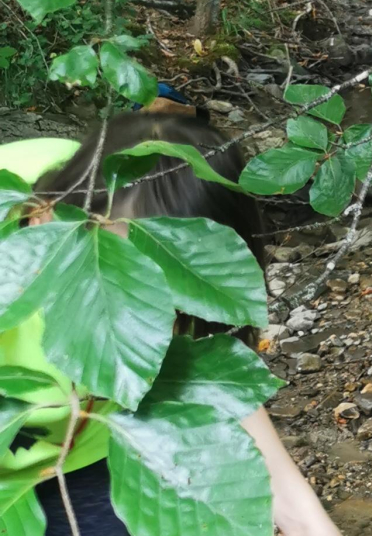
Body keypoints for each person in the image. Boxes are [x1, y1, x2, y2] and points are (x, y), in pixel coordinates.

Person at [0, 115, 341, 536]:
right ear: (42, 220)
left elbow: (270, 478)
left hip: (99, 449)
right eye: (126, 284)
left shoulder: (176, 281)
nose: (151, 314)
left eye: (169, 299)